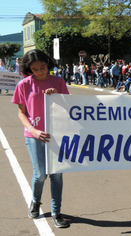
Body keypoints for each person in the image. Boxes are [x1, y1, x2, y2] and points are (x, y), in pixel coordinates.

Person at [11, 49, 69, 228]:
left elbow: (70, 107)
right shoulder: (24, 84)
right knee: (40, 174)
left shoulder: (58, 81)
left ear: (48, 64)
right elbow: (21, 113)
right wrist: (33, 130)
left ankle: (56, 212)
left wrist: (57, 97)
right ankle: (35, 202)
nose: (40, 72)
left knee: (57, 174)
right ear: (29, 69)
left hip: (56, 135)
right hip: (34, 136)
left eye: (42, 67)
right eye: (35, 69)